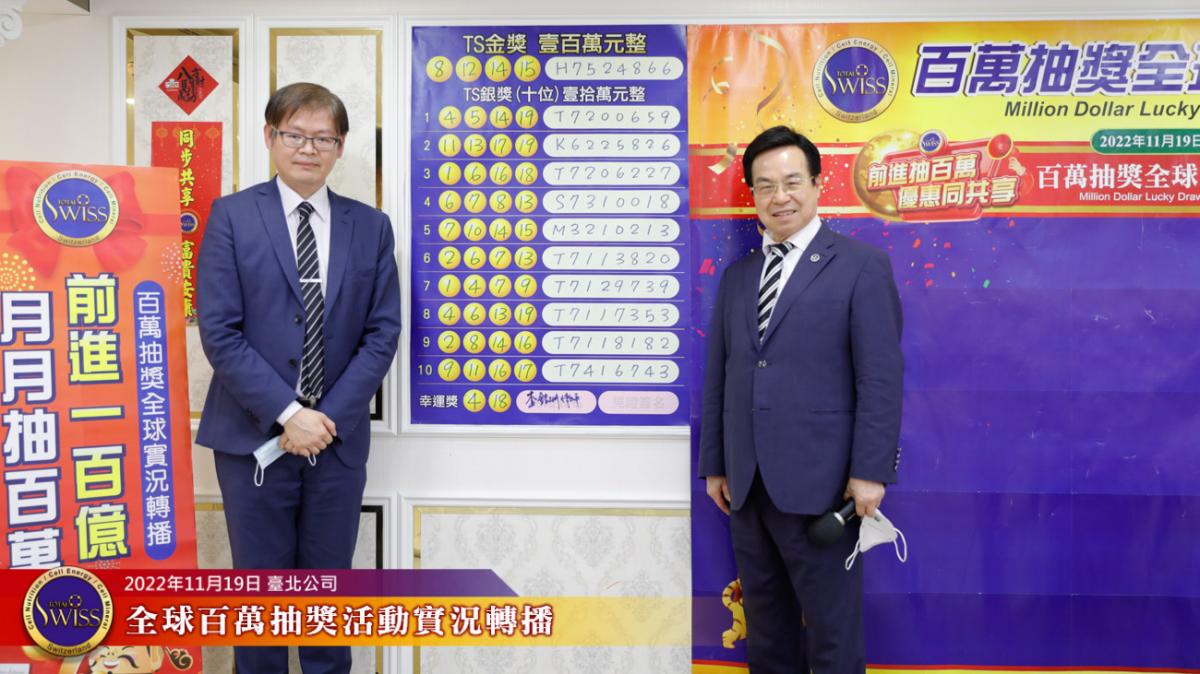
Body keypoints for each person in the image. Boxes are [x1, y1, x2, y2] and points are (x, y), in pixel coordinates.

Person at [196, 82, 402, 674]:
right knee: (260, 596)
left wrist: (323, 419)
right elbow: (221, 331)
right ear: (270, 137)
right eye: (295, 135)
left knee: (327, 596)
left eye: (323, 138)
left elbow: (382, 333)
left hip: (335, 442)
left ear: (340, 146)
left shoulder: (371, 226)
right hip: (251, 439)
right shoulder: (232, 216)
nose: (308, 149)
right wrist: (289, 414)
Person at [698, 125, 904, 673]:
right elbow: (721, 374)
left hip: (824, 486)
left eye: (792, 182)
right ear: (753, 195)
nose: (779, 197)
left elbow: (880, 378)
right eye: (765, 186)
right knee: (767, 635)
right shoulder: (738, 277)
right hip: (747, 486)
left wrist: (870, 471)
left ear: (816, 184)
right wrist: (715, 463)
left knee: (833, 636)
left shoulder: (860, 266)